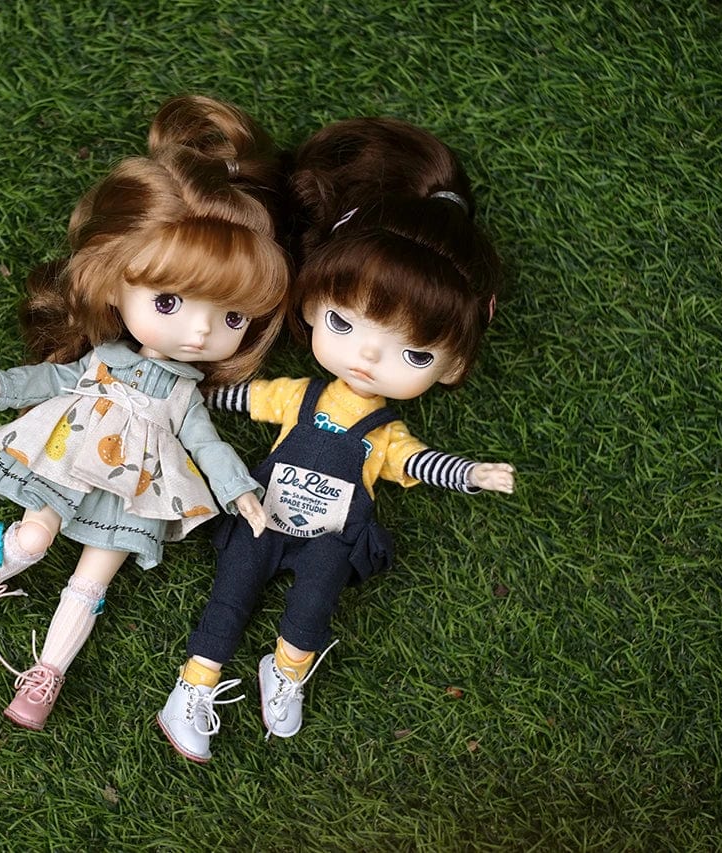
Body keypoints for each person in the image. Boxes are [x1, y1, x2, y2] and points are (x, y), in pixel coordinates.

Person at [0, 95, 291, 731]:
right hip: (67, 458)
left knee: (91, 584)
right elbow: (54, 378)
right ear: (114, 279)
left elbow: (208, 447)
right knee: (33, 537)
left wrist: (239, 490)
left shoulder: (183, 395)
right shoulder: (104, 359)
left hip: (133, 493)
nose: (200, 333)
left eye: (232, 317)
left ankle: (48, 672)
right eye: (170, 302)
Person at [157, 117, 517, 762]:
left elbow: (419, 462)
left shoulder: (385, 432)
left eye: (414, 354)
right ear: (311, 303)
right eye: (343, 323)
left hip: (330, 534)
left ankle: (285, 671)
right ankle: (193, 686)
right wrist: (190, 394)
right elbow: (244, 398)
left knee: (313, 605)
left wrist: (470, 474)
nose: (367, 359)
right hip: (262, 512)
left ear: (452, 366)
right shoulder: (301, 395)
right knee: (229, 596)